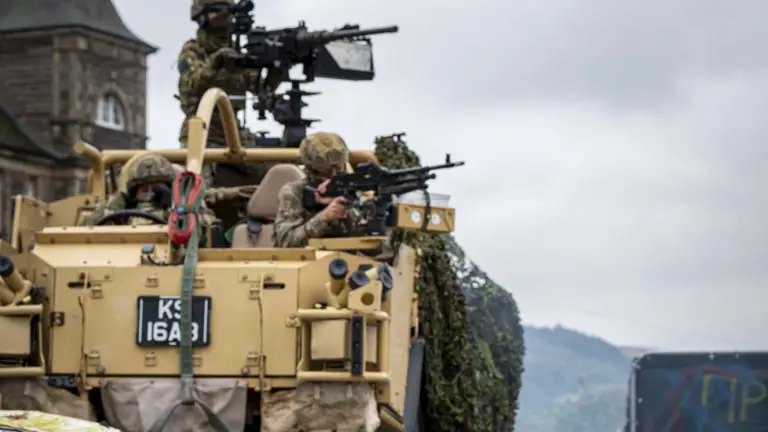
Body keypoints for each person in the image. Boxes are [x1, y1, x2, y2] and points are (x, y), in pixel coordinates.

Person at [177, 0, 280, 188]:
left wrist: (278, 67)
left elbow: (261, 87)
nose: (225, 17)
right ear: (201, 18)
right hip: (202, 134)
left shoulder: (239, 50)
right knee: (197, 183)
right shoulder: (193, 51)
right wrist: (215, 63)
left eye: (228, 12)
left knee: (280, 171)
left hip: (235, 135)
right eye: (216, 11)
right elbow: (192, 83)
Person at [273, 132, 368, 248]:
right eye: (326, 172)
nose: (333, 176)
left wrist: (348, 208)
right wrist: (324, 217)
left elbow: (371, 246)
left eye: (339, 170)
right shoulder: (293, 192)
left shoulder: (352, 191)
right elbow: (286, 242)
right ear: (311, 171)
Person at [84, 155, 175, 226]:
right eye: (144, 189)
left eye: (156, 188)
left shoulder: (177, 214)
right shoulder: (121, 215)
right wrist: (114, 203)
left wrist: (174, 205)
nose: (150, 192)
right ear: (134, 192)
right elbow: (91, 227)